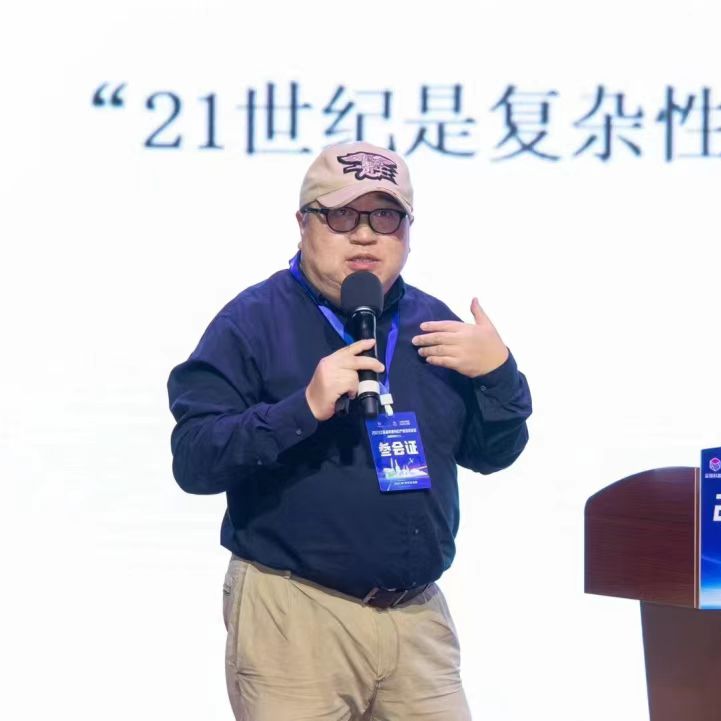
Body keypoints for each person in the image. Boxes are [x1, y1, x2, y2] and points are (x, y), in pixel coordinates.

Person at [167, 140, 531, 721]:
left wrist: (499, 375)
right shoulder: (252, 322)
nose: (364, 236)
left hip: (417, 620)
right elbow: (194, 459)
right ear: (303, 224)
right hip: (296, 615)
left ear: (408, 232)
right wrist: (303, 408)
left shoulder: (433, 325)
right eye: (342, 216)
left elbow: (492, 454)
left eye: (385, 217)